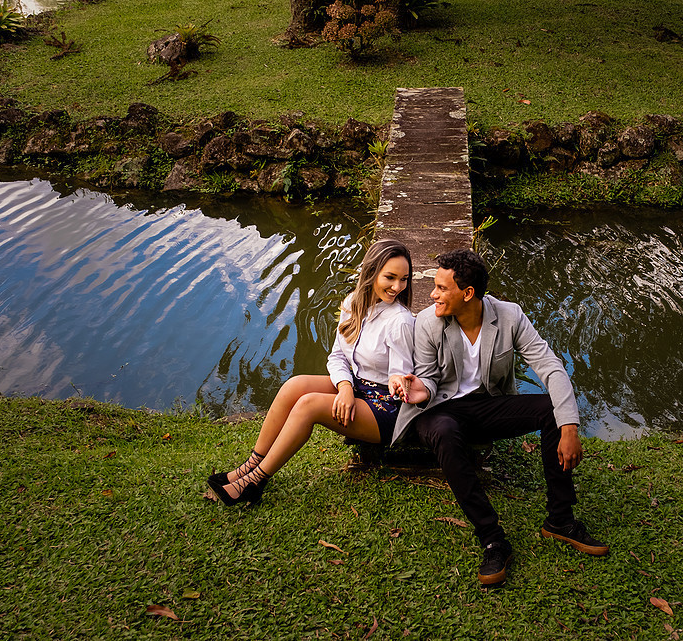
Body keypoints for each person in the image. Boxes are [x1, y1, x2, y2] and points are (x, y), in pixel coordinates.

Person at [394, 249, 607, 586]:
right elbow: (429, 378)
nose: (432, 294)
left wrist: (569, 427)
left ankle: (560, 520)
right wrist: (420, 389)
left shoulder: (509, 316)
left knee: (552, 409)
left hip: (486, 407)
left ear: (468, 293)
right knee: (445, 431)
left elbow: (551, 367)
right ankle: (492, 538)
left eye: (441, 288)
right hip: (440, 411)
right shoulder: (428, 322)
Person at [207, 239, 415, 506]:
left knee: (309, 405)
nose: (397, 287)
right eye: (390, 277)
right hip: (358, 386)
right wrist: (345, 387)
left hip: (386, 407)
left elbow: (400, 378)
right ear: (371, 272)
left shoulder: (399, 321)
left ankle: (255, 482)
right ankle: (248, 466)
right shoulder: (353, 303)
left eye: (404, 279)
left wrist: (378, 386)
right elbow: (337, 356)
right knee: (294, 386)